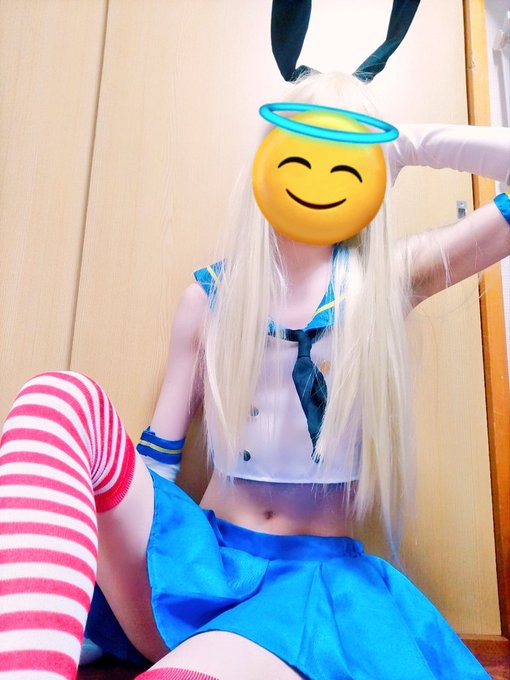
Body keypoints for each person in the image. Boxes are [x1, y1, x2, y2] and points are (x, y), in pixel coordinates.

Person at [1, 72, 509, 680]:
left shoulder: (386, 283)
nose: (319, 175)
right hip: (198, 567)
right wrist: (107, 586)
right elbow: (159, 457)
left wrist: (409, 144)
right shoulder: (210, 297)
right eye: (302, 150)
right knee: (58, 397)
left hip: (304, 596)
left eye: (345, 158)